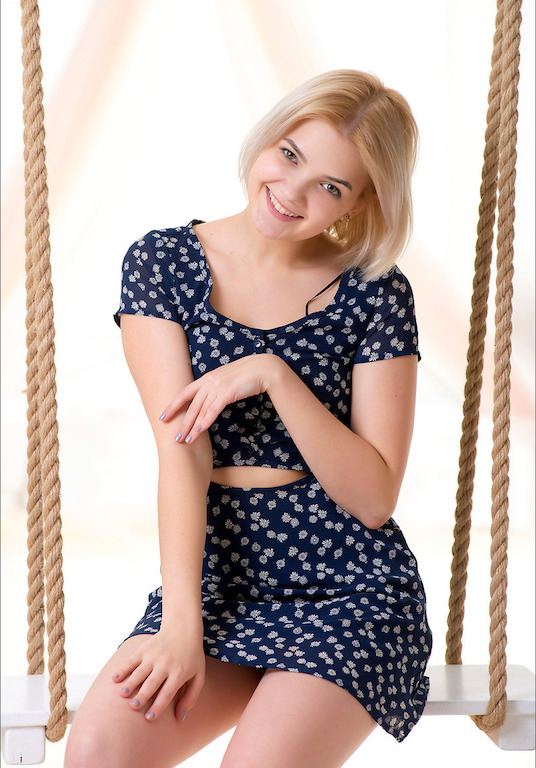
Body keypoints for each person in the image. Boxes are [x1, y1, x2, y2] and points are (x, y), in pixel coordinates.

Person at [65, 69, 432, 768]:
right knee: (98, 752)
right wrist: (180, 623)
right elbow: (182, 449)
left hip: (347, 589)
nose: (292, 191)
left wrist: (273, 375)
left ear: (361, 202)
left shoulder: (374, 293)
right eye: (290, 155)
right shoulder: (164, 263)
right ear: (268, 138)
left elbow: (374, 497)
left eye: (330, 186)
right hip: (215, 579)